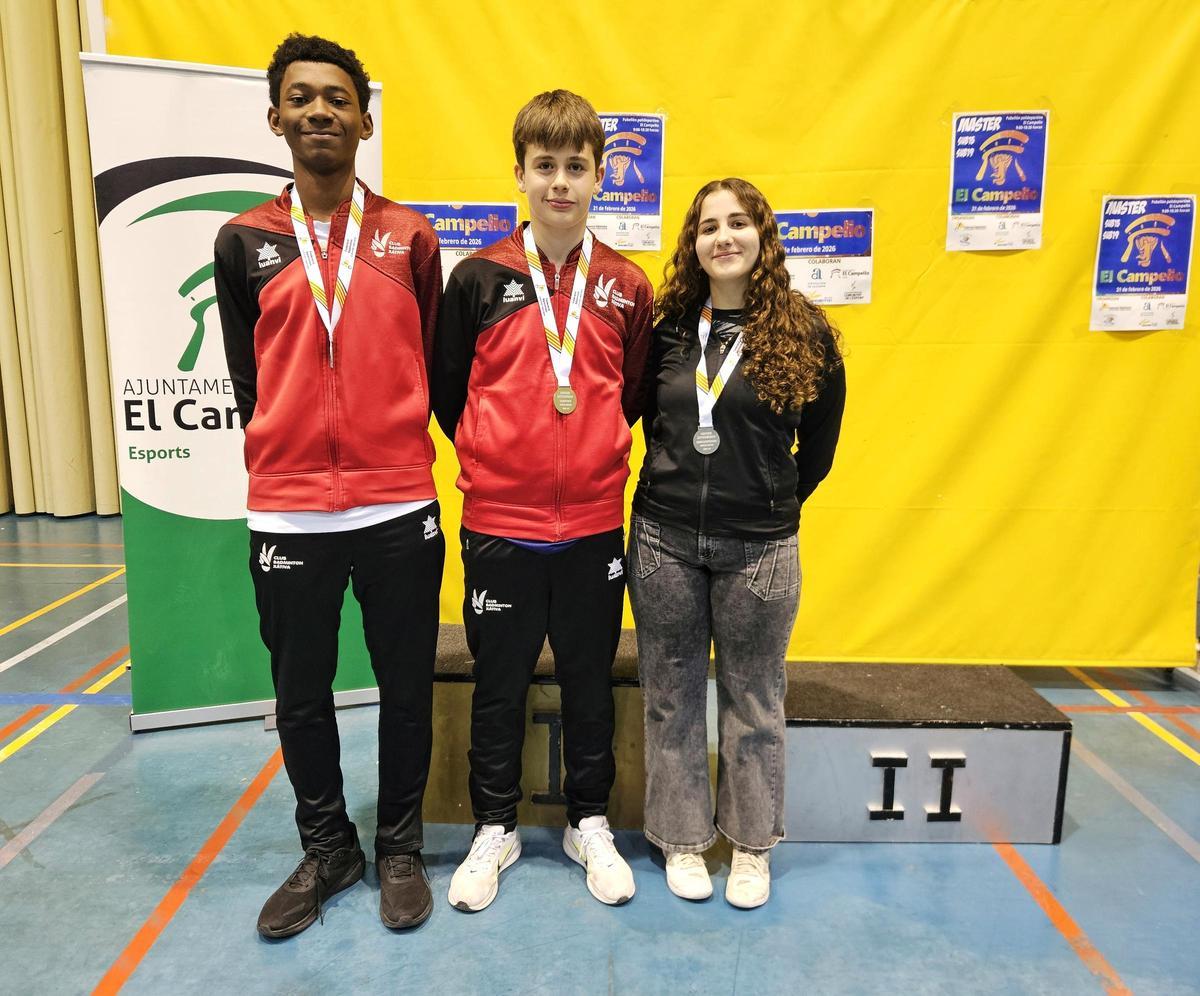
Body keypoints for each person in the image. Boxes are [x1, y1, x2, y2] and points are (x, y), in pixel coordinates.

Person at [214, 34, 444, 936]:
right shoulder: (243, 241)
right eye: (302, 98)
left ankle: (398, 847)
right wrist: (288, 448)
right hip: (288, 510)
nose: (320, 111)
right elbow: (248, 377)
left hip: (398, 506)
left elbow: (432, 357)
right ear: (276, 118)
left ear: (365, 119)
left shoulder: (409, 236)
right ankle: (328, 847)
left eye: (338, 99)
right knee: (300, 694)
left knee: (406, 687)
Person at [432, 89, 653, 912]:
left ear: (600, 177)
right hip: (500, 525)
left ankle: (587, 820)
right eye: (545, 166)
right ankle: (497, 829)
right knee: (498, 684)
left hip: (593, 525)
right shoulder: (479, 276)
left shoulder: (626, 285)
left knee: (591, 683)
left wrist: (586, 451)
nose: (560, 182)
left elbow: (627, 393)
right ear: (519, 173)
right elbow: (450, 391)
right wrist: (501, 458)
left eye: (577, 166)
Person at [628, 177, 846, 908]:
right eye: (707, 227)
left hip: (760, 551)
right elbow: (632, 418)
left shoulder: (806, 333)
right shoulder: (665, 330)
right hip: (663, 543)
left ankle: (752, 847)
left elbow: (816, 450)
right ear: (692, 245)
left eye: (738, 223)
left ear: (763, 236)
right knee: (672, 696)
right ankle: (683, 840)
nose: (723, 237)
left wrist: (768, 501)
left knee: (755, 699)